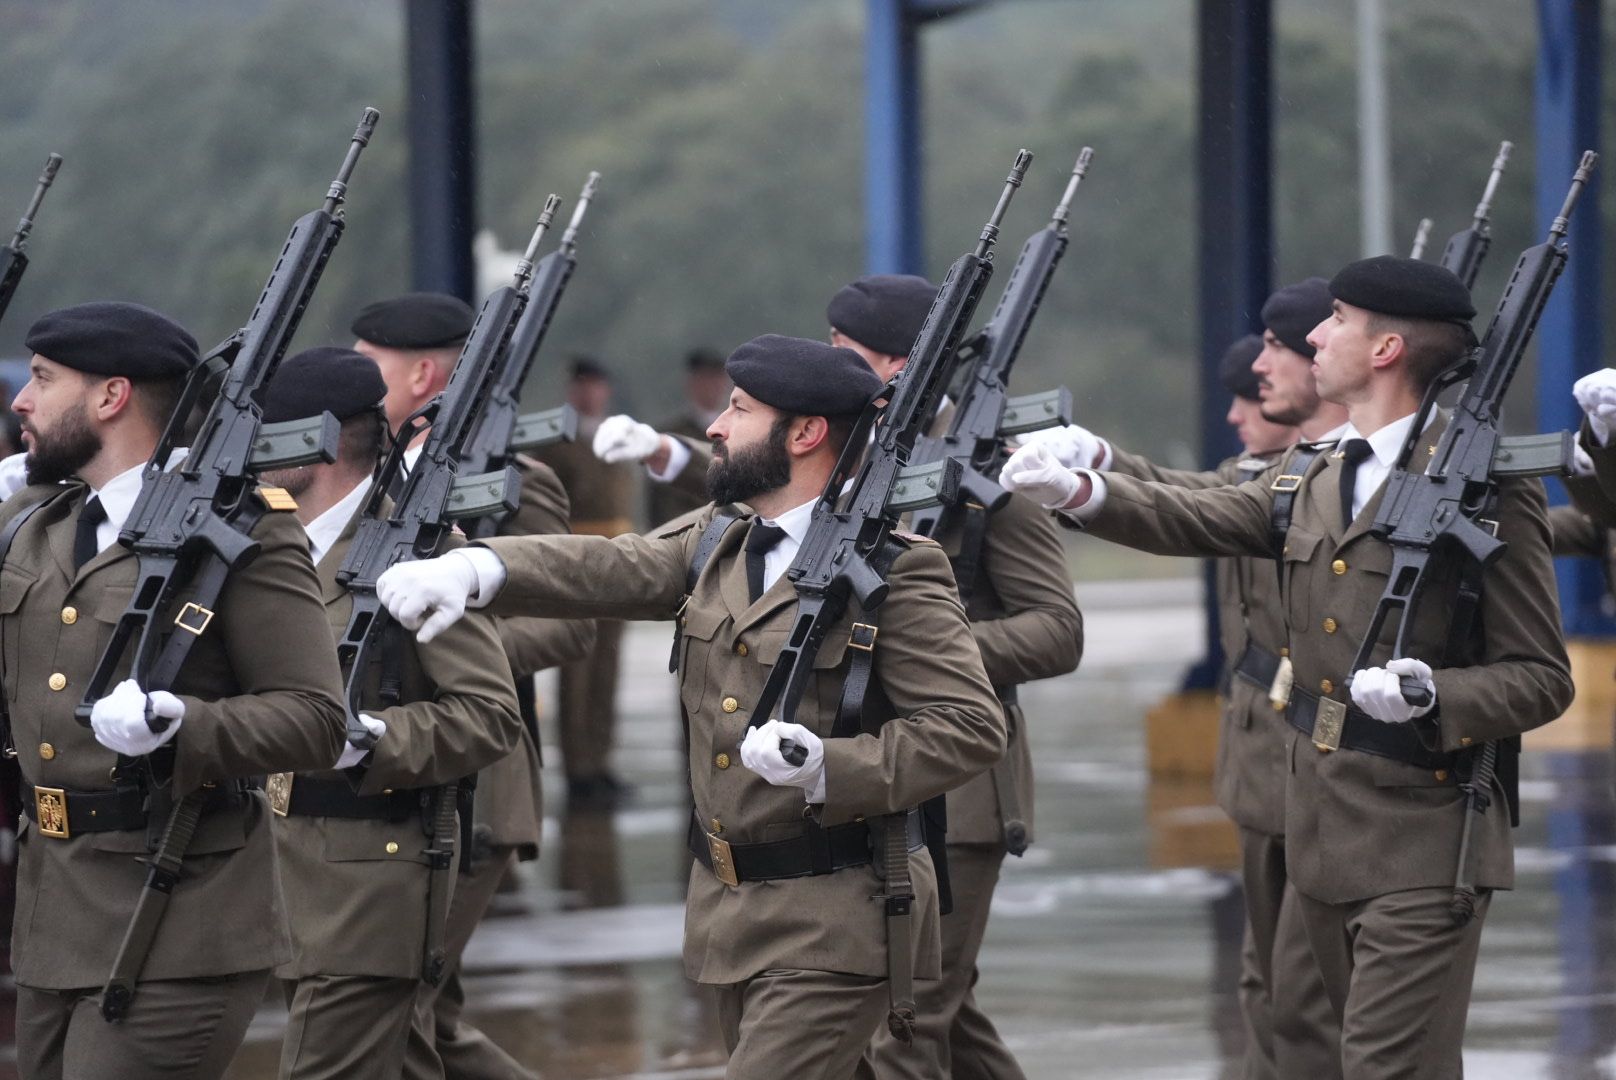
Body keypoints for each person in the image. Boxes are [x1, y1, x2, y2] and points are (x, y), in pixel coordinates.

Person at [373, 334, 1007, 1080]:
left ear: (803, 434)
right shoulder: (723, 542)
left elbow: (970, 727)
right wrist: (481, 567)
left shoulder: (900, 569)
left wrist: (828, 768)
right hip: (734, 916)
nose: (714, 426)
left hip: (841, 918)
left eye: (739, 411)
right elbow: (615, 564)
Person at [1001, 256, 1573, 1079]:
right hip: (1320, 829)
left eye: (1335, 318)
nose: (1314, 334)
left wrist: (1431, 693)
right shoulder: (1318, 471)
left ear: (1384, 349)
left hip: (1425, 834)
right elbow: (1203, 512)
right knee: (1321, 1049)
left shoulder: (1483, 486)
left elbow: (1540, 675)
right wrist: (1083, 491)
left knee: (1387, 1067)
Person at [1, 302, 347, 1079]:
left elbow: (317, 719)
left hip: (178, 911)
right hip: (53, 911)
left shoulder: (240, 533)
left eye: (45, 380)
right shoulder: (40, 525)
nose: (22, 399)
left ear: (111, 397)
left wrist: (180, 722)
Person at [1025, 281, 1344, 1080]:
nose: (1244, 401)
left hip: (1328, 763)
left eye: (1274, 357)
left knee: (1306, 1003)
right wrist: (1092, 469)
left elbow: (1192, 505)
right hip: (1263, 757)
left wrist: (1089, 481)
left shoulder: (1344, 479)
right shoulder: (1272, 475)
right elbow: (1193, 498)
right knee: (1265, 986)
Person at [256, 346, 523, 1080]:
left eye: (263, 432)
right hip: (283, 875)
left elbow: (490, 715)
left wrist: (374, 739)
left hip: (372, 885)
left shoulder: (418, 551)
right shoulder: (268, 544)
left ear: (315, 440)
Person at [349, 292, 590, 1080]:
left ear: (422, 374)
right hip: (388, 775)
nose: (348, 382)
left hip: (477, 786)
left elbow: (568, 624)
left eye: (365, 366)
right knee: (429, 1020)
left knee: (392, 1011)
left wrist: (438, 648)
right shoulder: (363, 475)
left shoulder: (512, 481)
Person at [530, 356, 636, 807]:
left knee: (607, 668)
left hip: (617, 562)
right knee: (576, 671)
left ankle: (600, 760)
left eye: (596, 386)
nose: (590, 394)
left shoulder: (622, 437)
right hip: (577, 559)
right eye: (582, 386)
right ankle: (578, 770)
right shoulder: (556, 441)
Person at [646, 346, 730, 527]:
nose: (711, 386)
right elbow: (663, 501)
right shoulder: (672, 437)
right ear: (692, 382)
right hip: (684, 534)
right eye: (704, 378)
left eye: (716, 378)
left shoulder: (736, 431)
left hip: (732, 532)